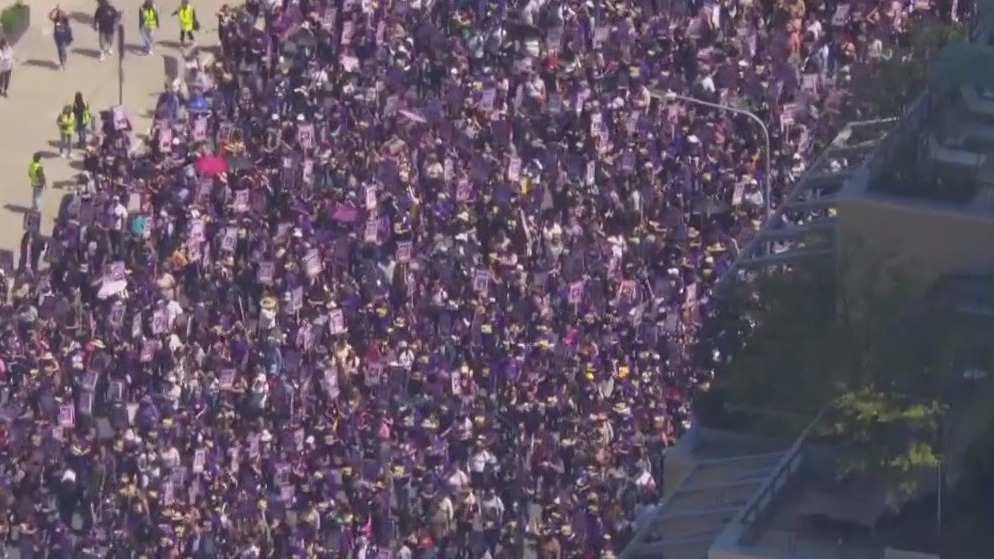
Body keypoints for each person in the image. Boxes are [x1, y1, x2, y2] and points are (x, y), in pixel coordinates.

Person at [48, 5, 72, 70]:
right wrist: (55, 9)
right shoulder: (56, 20)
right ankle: (62, 63)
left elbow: (68, 16)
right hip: (57, 38)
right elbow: (49, 16)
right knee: (60, 50)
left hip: (64, 37)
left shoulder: (65, 20)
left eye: (60, 14)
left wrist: (61, 10)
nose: (59, 15)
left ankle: (63, 63)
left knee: (62, 49)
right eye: (58, 14)